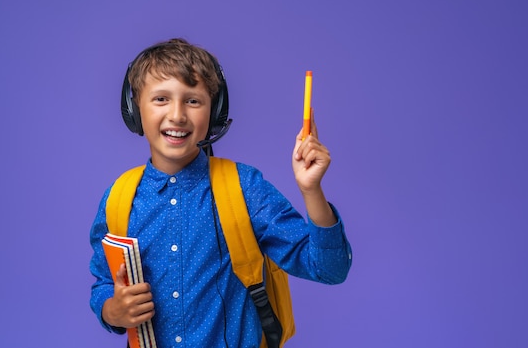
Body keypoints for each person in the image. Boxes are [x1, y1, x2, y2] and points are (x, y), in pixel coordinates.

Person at [89, 38, 352, 347]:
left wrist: (311, 191)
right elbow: (105, 282)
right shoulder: (119, 198)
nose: (177, 115)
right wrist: (112, 311)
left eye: (193, 101)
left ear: (215, 112)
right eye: (161, 99)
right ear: (134, 110)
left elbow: (329, 269)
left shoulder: (245, 189)